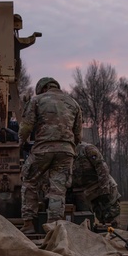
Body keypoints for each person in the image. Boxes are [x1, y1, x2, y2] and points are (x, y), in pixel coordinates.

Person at [18, 77, 82, 234]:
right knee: (58, 190)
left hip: (43, 149)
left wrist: (21, 142)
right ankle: (53, 228)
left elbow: (26, 127)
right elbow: (78, 135)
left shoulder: (37, 100)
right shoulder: (73, 103)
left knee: (29, 181)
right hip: (66, 151)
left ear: (42, 88)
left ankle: (29, 224)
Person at [70, 141, 121, 228]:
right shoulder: (66, 153)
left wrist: (104, 191)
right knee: (84, 224)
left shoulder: (87, 149)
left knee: (111, 224)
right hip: (86, 195)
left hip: (102, 190)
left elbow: (102, 168)